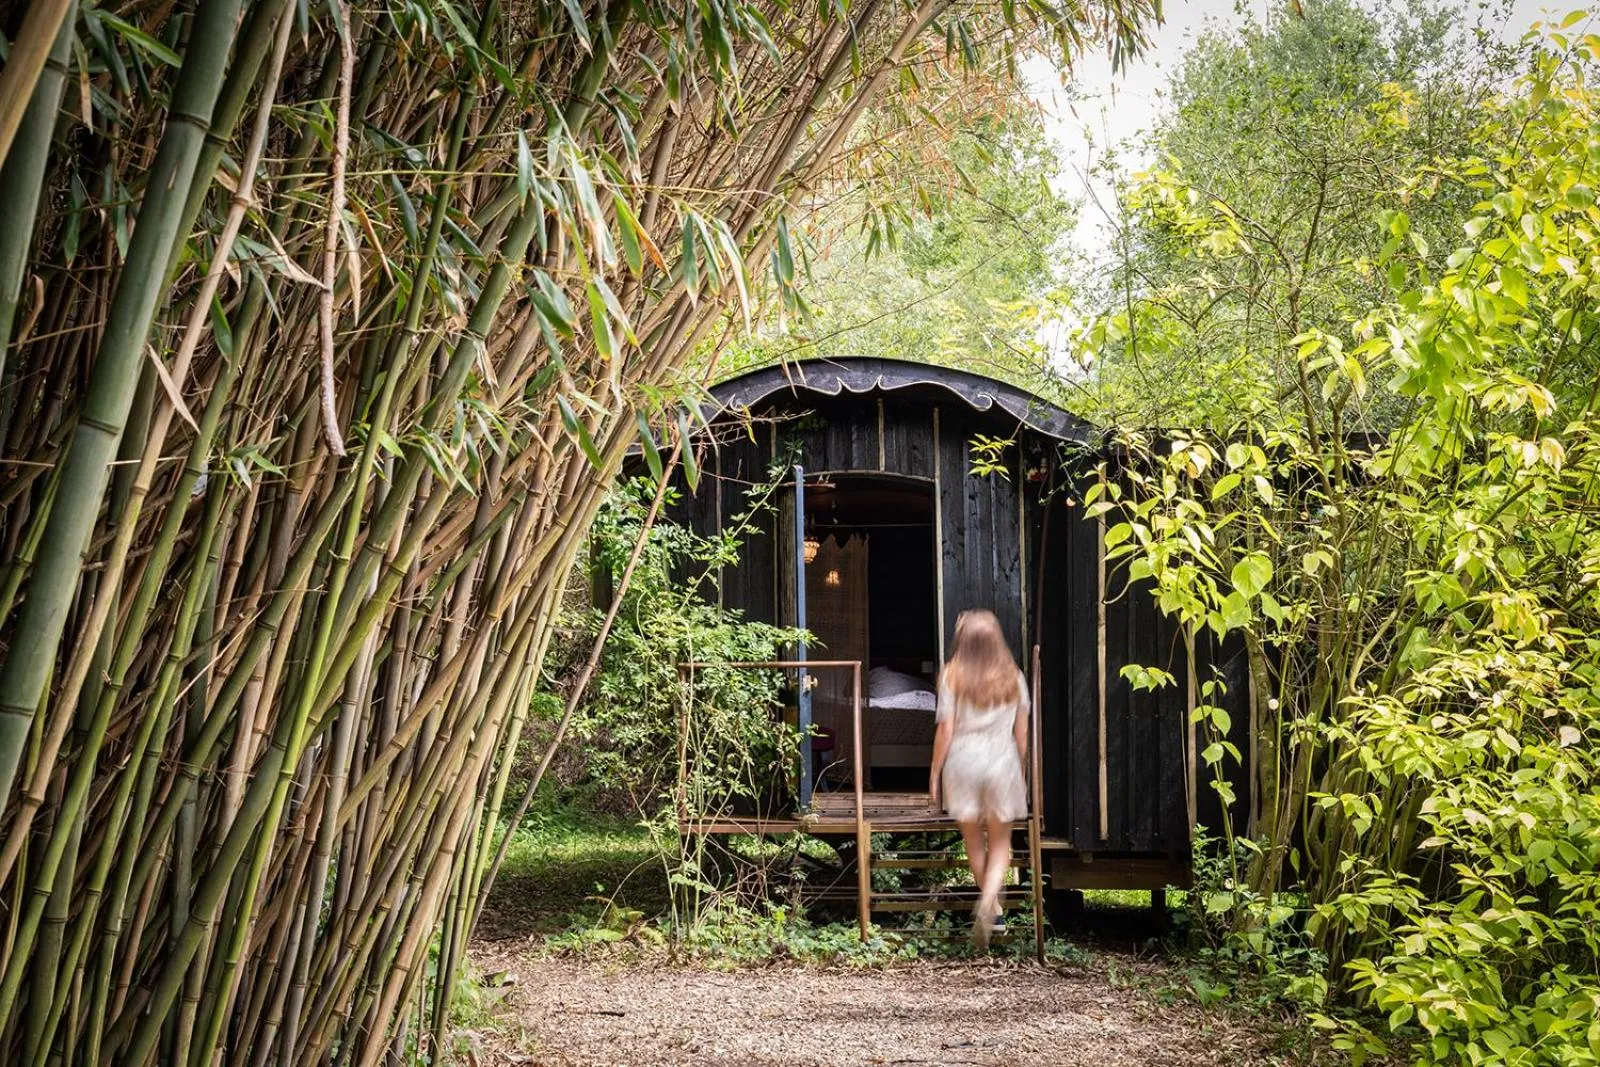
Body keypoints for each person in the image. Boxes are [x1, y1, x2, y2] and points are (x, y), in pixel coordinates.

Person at [928, 610, 1030, 947]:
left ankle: (994, 907)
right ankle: (990, 901)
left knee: (973, 839)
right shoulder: (1013, 676)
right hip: (1001, 759)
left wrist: (934, 773)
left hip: (963, 761)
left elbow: (945, 729)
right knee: (1001, 841)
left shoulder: (951, 675)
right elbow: (1022, 735)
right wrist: (1021, 769)